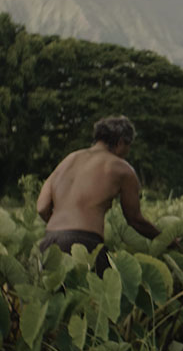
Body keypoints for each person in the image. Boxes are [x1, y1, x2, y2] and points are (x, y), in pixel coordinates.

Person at [36, 115, 161, 276]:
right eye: (128, 146)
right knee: (95, 299)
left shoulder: (69, 159)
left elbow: (42, 206)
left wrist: (62, 231)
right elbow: (135, 219)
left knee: (53, 297)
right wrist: (165, 240)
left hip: (49, 241)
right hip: (85, 243)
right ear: (121, 142)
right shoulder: (121, 168)